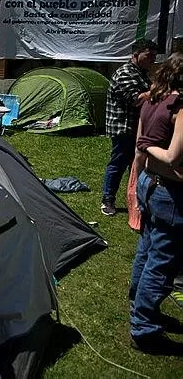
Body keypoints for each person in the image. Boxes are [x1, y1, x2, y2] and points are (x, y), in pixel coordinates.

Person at [128, 54, 183, 355]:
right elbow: (173, 156)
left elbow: (140, 148)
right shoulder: (178, 106)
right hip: (170, 192)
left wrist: (135, 183)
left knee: (147, 249)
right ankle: (144, 327)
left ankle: (138, 306)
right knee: (162, 262)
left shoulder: (151, 100)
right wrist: (148, 146)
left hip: (149, 182)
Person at [101, 39, 157, 216]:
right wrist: (160, 88)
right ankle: (107, 199)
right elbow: (137, 99)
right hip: (123, 126)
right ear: (135, 54)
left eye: (154, 56)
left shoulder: (141, 73)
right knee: (118, 163)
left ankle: (137, 200)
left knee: (137, 165)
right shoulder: (125, 72)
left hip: (137, 128)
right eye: (149, 55)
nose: (153, 59)